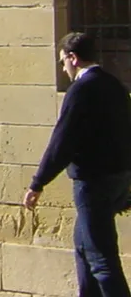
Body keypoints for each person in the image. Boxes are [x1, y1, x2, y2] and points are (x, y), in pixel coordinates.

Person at [23, 32, 131, 297]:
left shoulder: (82, 89)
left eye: (63, 61)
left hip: (93, 183)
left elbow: (62, 141)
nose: (63, 68)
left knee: (101, 258)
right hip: (117, 179)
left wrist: (38, 183)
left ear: (74, 57)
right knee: (84, 248)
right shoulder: (114, 85)